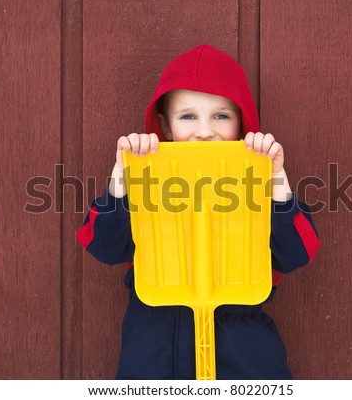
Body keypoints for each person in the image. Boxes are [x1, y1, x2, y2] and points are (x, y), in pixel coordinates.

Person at [77, 45, 320, 379]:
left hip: (244, 356)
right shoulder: (147, 181)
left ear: (241, 123)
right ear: (165, 127)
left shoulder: (258, 183)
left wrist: (275, 177)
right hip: (154, 352)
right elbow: (103, 247)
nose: (205, 131)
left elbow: (297, 253)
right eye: (188, 116)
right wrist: (124, 176)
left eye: (221, 115)